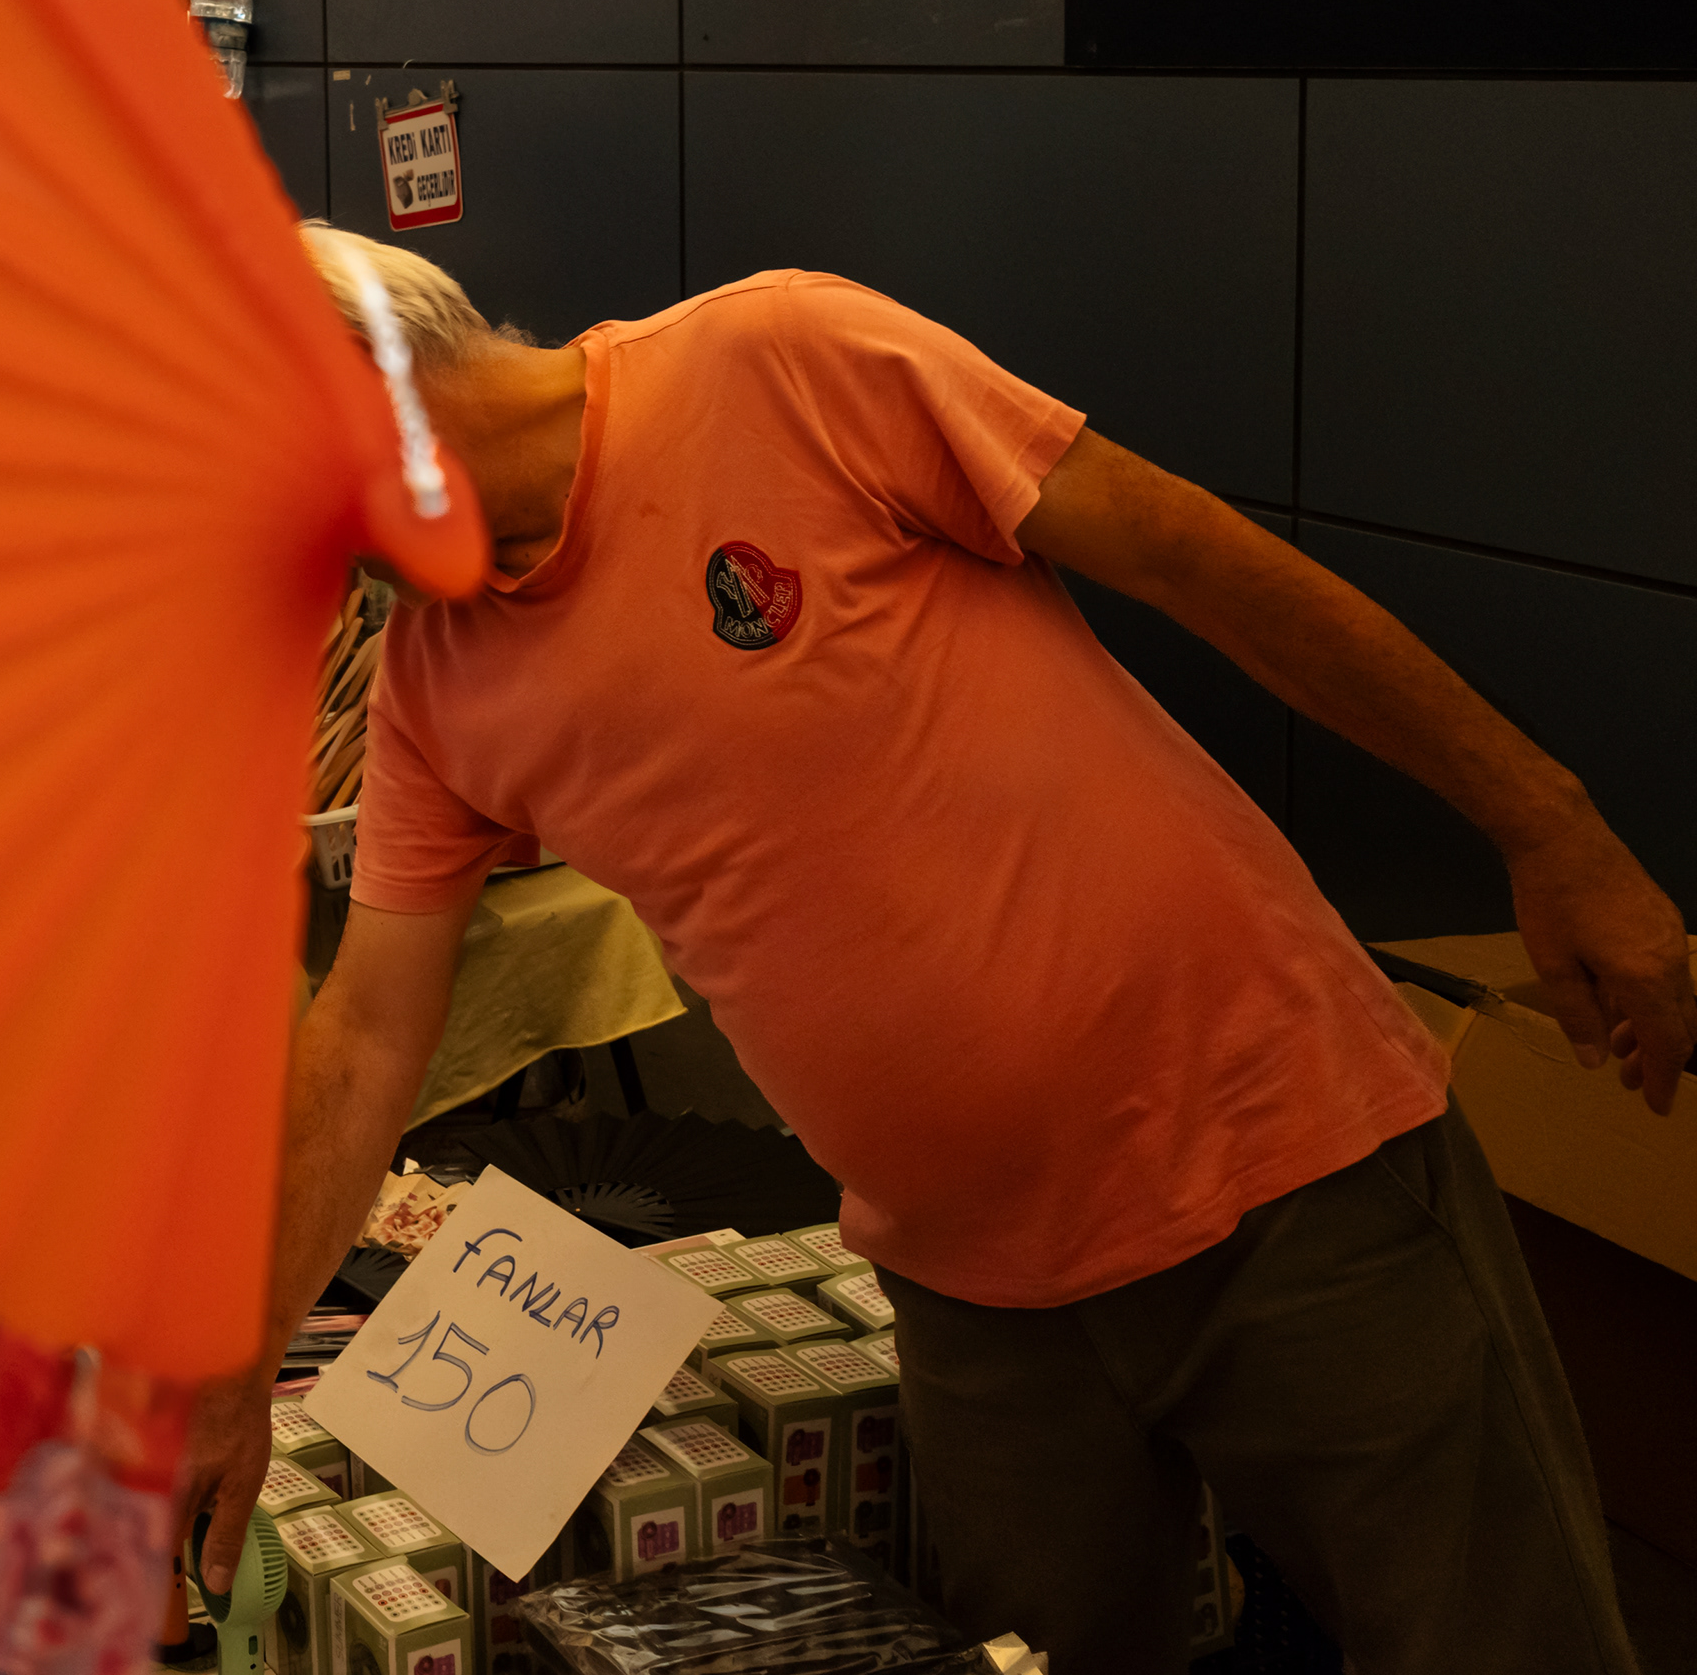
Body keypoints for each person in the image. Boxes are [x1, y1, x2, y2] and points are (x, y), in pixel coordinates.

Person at [195, 233, 1690, 1675]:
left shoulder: (779, 357)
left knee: (1498, 1640)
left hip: (1276, 1165)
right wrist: (244, 1365)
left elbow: (1188, 555)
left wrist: (1547, 823)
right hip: (983, 1314)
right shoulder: (435, 688)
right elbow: (373, 1030)